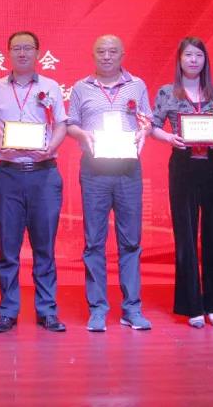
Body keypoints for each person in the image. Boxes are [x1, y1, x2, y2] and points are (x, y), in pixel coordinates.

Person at [0, 31, 68, 333]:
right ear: (8, 53)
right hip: (8, 175)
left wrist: (51, 147)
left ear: (38, 53)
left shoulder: (51, 86)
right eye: (16, 48)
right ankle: (8, 311)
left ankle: (47, 311)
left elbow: (61, 125)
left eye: (27, 48)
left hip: (44, 174)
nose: (22, 53)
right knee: (8, 248)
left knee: (45, 247)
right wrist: (0, 144)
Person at [66, 34, 153, 332]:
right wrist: (82, 134)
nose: (106, 56)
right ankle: (98, 309)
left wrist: (144, 130)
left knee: (131, 241)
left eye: (112, 51)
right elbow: (71, 123)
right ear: (93, 55)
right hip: (94, 171)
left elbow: (147, 119)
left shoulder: (137, 85)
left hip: (128, 169)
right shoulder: (81, 87)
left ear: (122, 54)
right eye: (101, 51)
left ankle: (132, 308)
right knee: (94, 241)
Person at [150, 37, 213, 328]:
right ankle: (192, 305)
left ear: (205, 60)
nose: (194, 60)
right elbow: (153, 126)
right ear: (180, 60)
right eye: (188, 55)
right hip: (183, 165)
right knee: (185, 235)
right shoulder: (167, 92)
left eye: (199, 55)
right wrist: (170, 138)